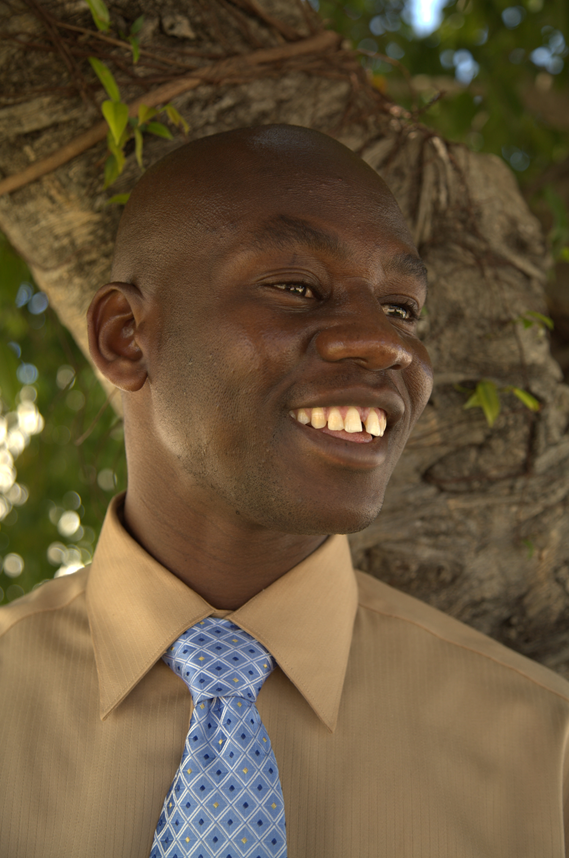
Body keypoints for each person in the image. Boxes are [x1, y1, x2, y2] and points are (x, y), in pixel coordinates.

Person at [1, 124, 568, 858]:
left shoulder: (544, 758)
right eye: (295, 287)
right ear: (126, 336)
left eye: (402, 309)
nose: (385, 343)